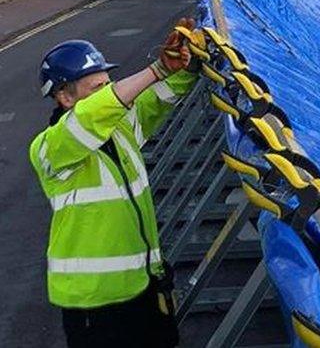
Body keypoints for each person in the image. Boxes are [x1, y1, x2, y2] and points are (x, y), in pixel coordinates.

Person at [28, 18, 199, 347]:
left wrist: (190, 64)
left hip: (142, 285)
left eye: (110, 83)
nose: (108, 92)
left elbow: (156, 98)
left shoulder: (118, 129)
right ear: (64, 97)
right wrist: (157, 69)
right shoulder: (51, 148)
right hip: (95, 302)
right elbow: (90, 117)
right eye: (97, 88)